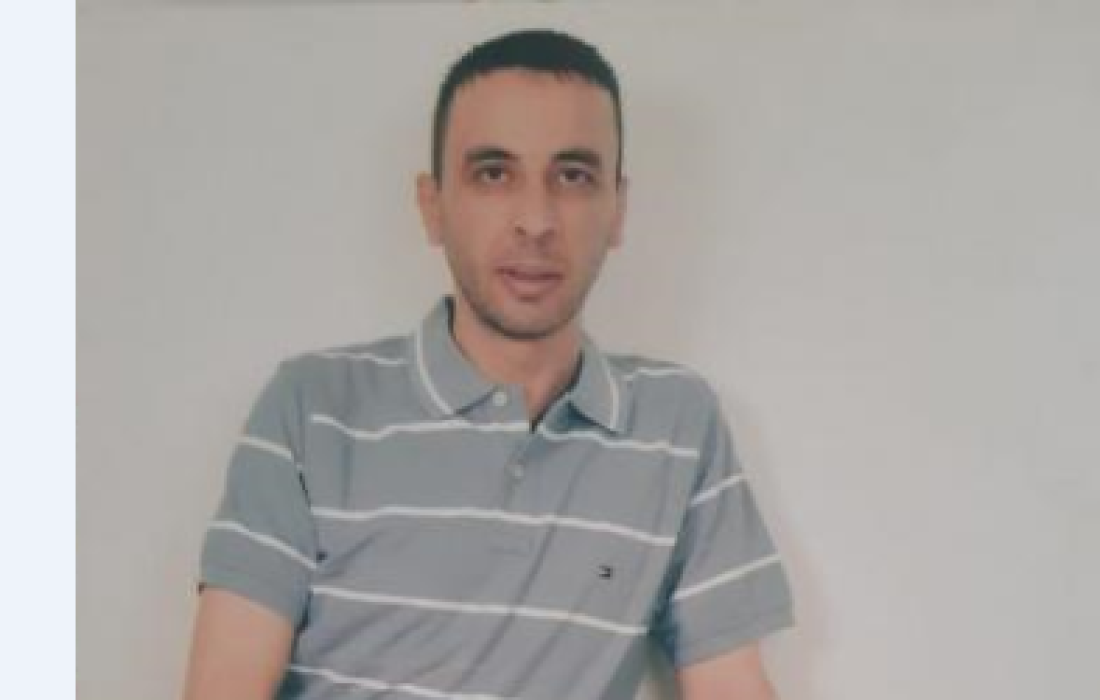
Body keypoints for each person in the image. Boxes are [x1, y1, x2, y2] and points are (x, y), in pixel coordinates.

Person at [182, 28, 795, 700]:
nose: (535, 221)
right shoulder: (312, 409)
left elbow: (731, 684)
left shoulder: (678, 426)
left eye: (573, 175)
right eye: (494, 174)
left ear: (617, 209)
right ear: (433, 206)